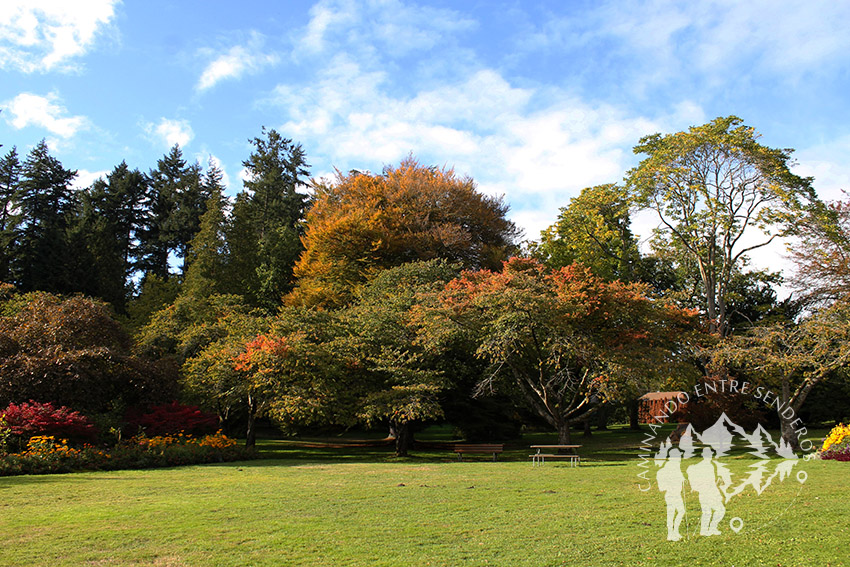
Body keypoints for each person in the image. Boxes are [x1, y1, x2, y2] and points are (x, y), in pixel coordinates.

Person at [687, 446, 725, 536]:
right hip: (707, 492)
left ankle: (705, 530)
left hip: (705, 492)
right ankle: (711, 529)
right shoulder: (706, 466)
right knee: (720, 510)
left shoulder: (707, 465)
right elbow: (707, 482)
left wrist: (717, 482)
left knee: (707, 512)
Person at [656, 448, 686, 541]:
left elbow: (681, 478)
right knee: (672, 513)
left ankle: (675, 531)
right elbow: (662, 487)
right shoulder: (667, 469)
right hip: (671, 494)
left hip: (677, 494)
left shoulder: (676, 468)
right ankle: (670, 534)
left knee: (681, 511)